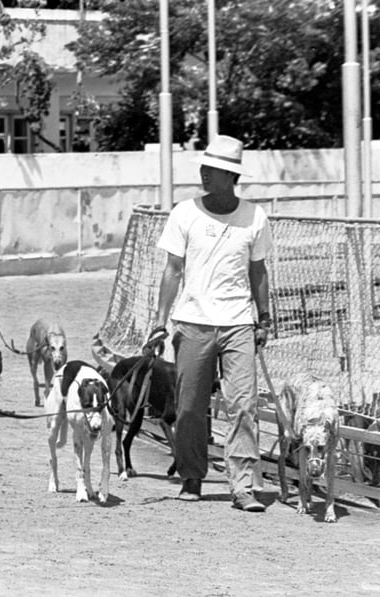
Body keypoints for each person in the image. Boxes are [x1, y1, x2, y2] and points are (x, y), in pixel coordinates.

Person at [150, 135, 272, 513]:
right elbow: (172, 271)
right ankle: (191, 476)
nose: (203, 175)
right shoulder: (184, 213)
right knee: (189, 406)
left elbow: (259, 272)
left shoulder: (255, 217)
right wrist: (159, 322)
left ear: (230, 175)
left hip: (238, 323)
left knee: (243, 406)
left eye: (212, 170)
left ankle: (242, 486)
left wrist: (264, 318)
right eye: (204, 168)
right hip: (193, 322)